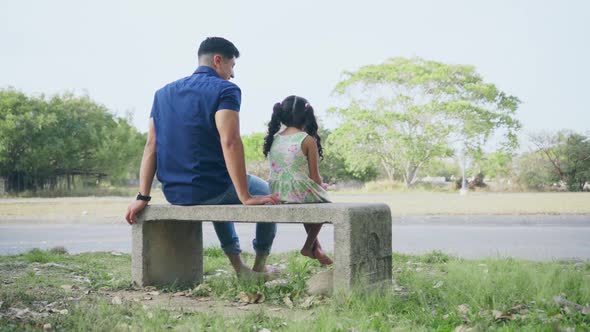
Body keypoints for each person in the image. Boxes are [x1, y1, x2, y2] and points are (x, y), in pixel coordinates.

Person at [125, 37, 280, 279]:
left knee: (219, 185)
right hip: (213, 187)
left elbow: (151, 145)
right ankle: (259, 267)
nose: (233, 74)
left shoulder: (162, 94)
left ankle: (240, 267)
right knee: (271, 195)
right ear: (218, 60)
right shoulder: (226, 90)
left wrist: (142, 196)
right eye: (232, 66)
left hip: (176, 192)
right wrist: (246, 197)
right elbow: (230, 141)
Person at [262, 95, 333, 265]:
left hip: (276, 190)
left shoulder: (275, 138)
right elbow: (315, 178)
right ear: (307, 116)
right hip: (297, 190)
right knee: (323, 202)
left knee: (305, 198)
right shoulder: (307, 140)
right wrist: (322, 186)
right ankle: (309, 246)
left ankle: (317, 249)